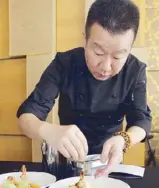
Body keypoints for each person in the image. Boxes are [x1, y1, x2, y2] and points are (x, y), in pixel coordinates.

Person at [17, 0, 151, 176]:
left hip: (107, 163)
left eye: (118, 57)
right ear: (85, 39)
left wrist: (124, 139)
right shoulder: (64, 64)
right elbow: (26, 117)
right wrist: (48, 130)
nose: (106, 67)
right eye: (98, 53)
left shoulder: (135, 70)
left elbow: (142, 121)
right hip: (66, 163)